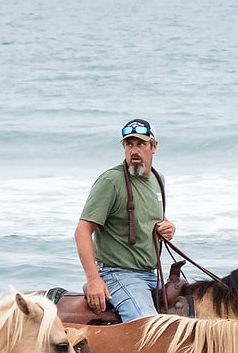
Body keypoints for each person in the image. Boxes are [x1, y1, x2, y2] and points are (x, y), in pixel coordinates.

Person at [76, 119, 177, 320]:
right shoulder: (111, 182)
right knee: (148, 327)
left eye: (140, 144)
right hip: (119, 274)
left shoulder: (158, 179)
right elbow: (82, 231)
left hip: (152, 274)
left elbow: (149, 213)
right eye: (129, 144)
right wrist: (93, 278)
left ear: (154, 147)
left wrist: (168, 226)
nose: (134, 150)